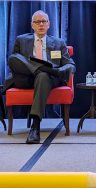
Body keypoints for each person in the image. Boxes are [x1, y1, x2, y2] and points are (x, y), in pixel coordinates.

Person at [3, 10, 76, 144]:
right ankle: (43, 69)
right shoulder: (21, 39)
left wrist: (59, 71)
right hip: (25, 78)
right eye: (37, 21)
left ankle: (35, 126)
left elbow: (71, 65)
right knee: (14, 58)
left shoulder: (59, 43)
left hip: (48, 79)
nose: (41, 24)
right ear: (32, 25)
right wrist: (48, 69)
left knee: (42, 76)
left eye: (44, 21)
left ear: (49, 24)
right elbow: (15, 63)